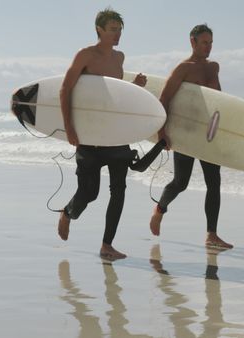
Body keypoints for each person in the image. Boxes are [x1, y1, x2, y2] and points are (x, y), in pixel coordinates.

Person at [57, 8, 163, 260]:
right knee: (89, 194)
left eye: (120, 29)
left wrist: (134, 88)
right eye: (113, 29)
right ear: (99, 30)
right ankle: (68, 212)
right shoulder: (85, 55)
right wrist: (70, 127)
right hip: (91, 135)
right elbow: (65, 89)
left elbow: (113, 95)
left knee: (119, 190)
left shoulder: (119, 58)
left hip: (115, 134)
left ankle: (107, 245)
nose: (117, 34)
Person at [149, 24, 233, 249]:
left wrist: (223, 131)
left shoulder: (214, 68)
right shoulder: (183, 69)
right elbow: (164, 99)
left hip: (208, 135)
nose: (209, 47)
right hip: (186, 134)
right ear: (193, 42)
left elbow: (219, 103)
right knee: (180, 183)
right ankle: (160, 209)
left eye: (211, 42)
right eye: (204, 42)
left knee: (214, 182)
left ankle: (211, 234)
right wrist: (162, 133)